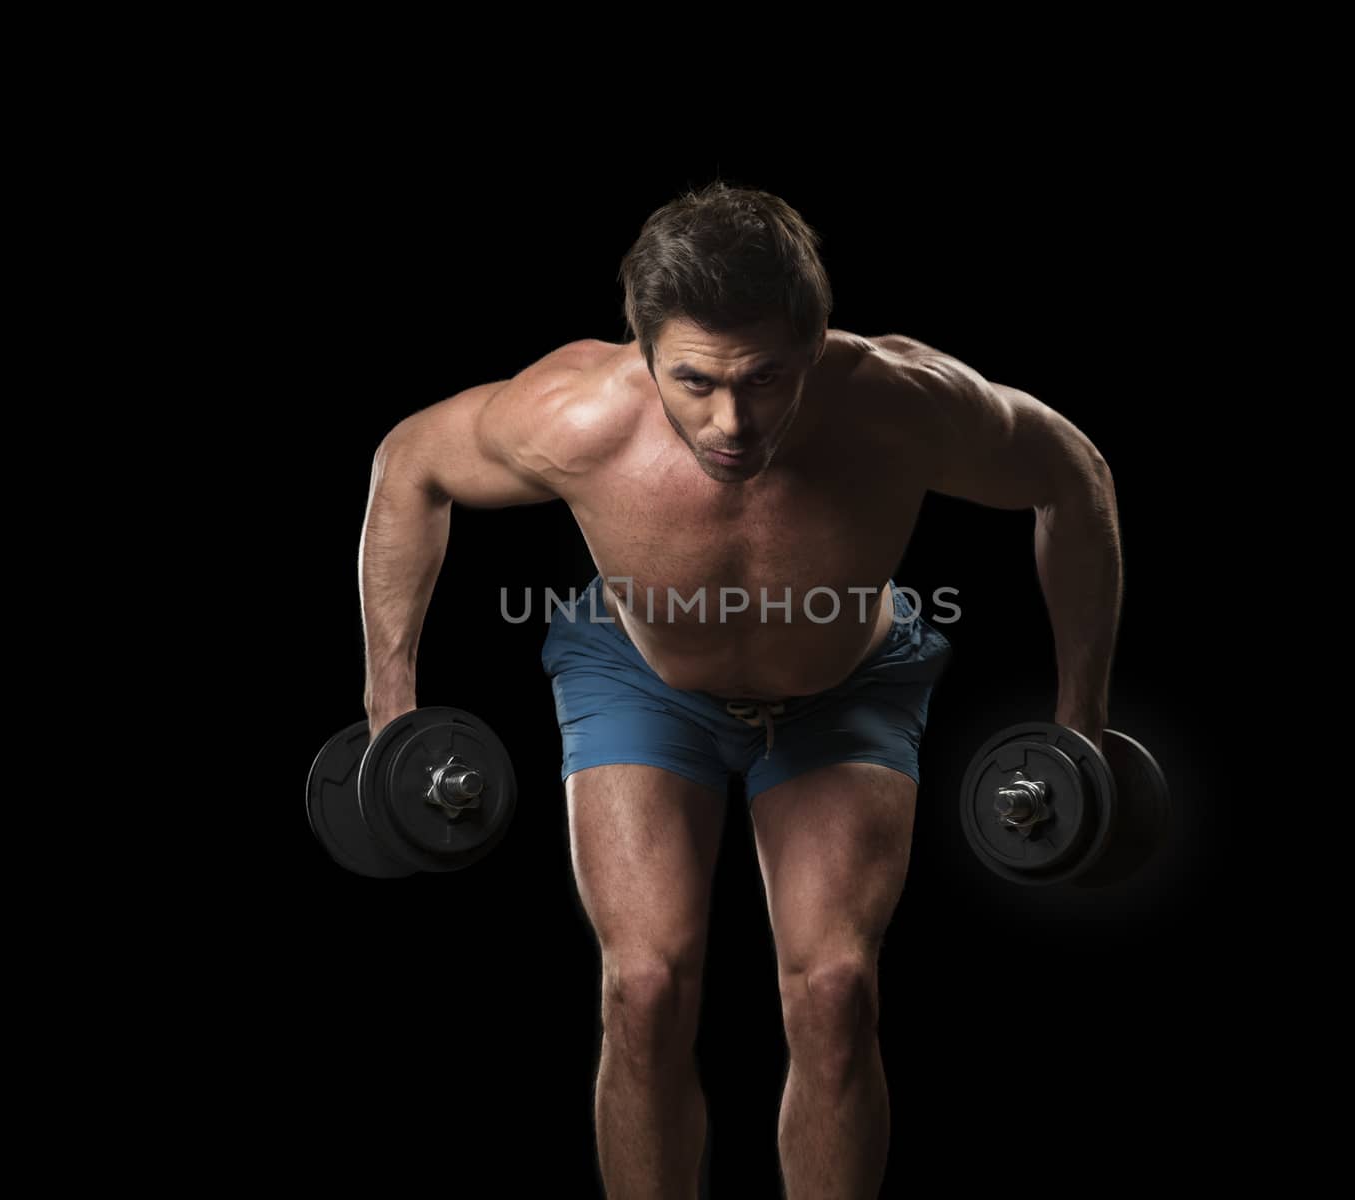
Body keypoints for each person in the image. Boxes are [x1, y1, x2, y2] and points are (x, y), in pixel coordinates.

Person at [358, 181, 1122, 1198]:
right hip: (640, 676)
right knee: (640, 990)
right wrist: (389, 702)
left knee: (838, 994)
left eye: (765, 379)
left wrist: (1081, 720)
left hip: (847, 684)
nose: (729, 421)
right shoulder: (574, 415)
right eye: (695, 381)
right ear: (641, 346)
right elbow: (410, 463)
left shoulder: (904, 403)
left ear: (813, 343)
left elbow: (1073, 478)